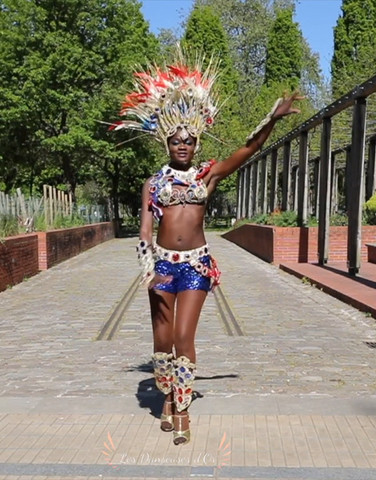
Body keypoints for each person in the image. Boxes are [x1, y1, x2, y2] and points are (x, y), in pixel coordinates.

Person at [112, 50, 302, 445]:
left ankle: (182, 409)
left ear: (197, 143)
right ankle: (166, 397)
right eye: (176, 140)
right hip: (162, 268)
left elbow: (246, 150)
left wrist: (272, 119)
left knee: (184, 338)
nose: (183, 145)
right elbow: (145, 232)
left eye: (190, 140)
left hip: (196, 267)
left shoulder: (206, 177)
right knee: (161, 344)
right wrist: (151, 270)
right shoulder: (153, 184)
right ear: (166, 142)